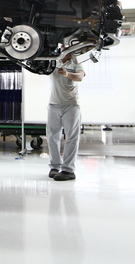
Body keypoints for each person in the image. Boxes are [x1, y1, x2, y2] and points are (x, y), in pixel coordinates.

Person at [47, 49, 86, 181]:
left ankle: (68, 170)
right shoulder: (53, 62)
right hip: (53, 104)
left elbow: (80, 77)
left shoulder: (76, 62)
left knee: (71, 138)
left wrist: (67, 74)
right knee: (52, 137)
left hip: (71, 105)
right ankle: (54, 167)